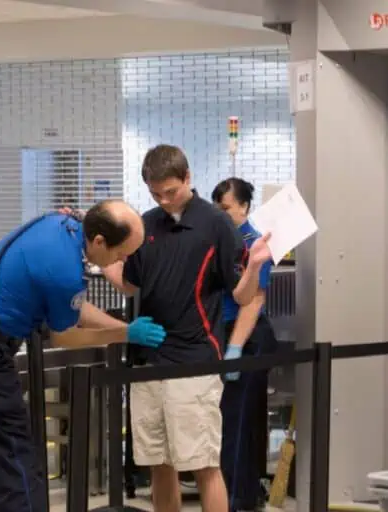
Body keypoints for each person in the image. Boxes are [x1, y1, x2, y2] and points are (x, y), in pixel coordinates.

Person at [0, 200, 167, 512]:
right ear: (99, 240)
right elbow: (64, 336)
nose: (121, 261)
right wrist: (124, 334)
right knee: (14, 459)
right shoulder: (64, 270)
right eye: (120, 254)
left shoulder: (64, 224)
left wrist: (123, 326)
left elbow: (73, 306)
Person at [101, 144, 272, 512]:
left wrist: (255, 266)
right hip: (150, 363)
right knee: (159, 465)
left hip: (195, 362)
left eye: (171, 191)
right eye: (155, 193)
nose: (164, 200)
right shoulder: (144, 225)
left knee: (203, 464)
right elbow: (130, 282)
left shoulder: (216, 224)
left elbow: (242, 296)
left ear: (188, 178)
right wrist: (100, 255)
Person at [211, 177, 277, 512]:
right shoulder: (225, 240)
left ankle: (238, 500)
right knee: (231, 421)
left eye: (226, 209)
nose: (220, 215)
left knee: (237, 423)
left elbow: (254, 301)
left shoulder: (254, 243)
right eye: (216, 209)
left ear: (244, 207)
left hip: (247, 338)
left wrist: (235, 349)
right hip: (226, 336)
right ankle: (239, 496)